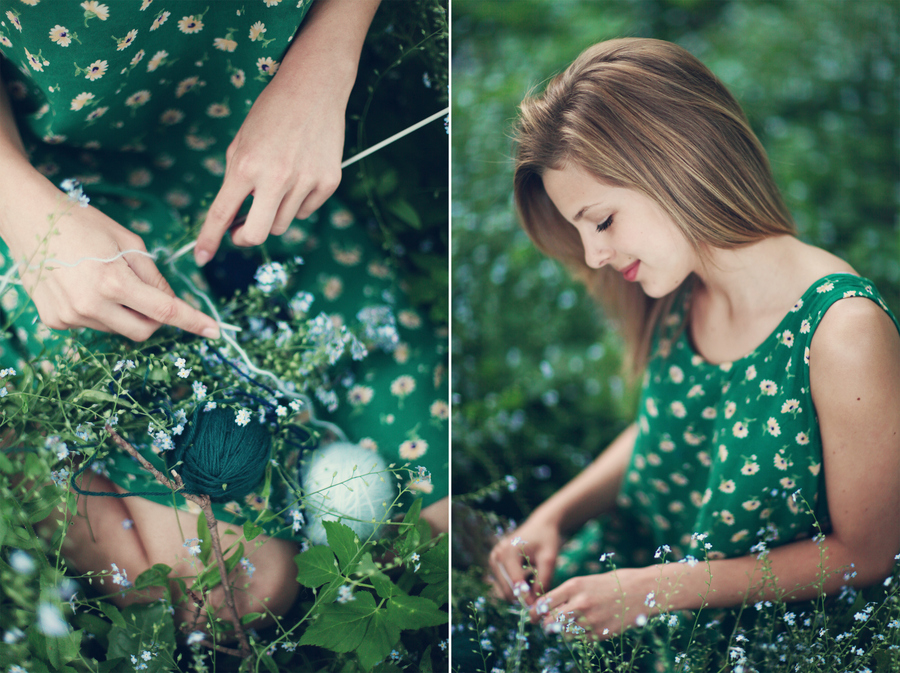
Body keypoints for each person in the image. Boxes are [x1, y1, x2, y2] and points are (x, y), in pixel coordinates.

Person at [0, 0, 447, 627]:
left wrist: (326, 62)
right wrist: (22, 209)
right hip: (46, 183)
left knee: (441, 515)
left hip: (258, 152)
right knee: (234, 593)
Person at [488, 37, 899, 643]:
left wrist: (657, 589)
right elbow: (674, 425)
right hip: (627, 585)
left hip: (746, 631)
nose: (594, 255)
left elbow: (867, 553)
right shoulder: (679, 290)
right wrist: (554, 516)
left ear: (681, 164)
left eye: (602, 221)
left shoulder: (843, 332)